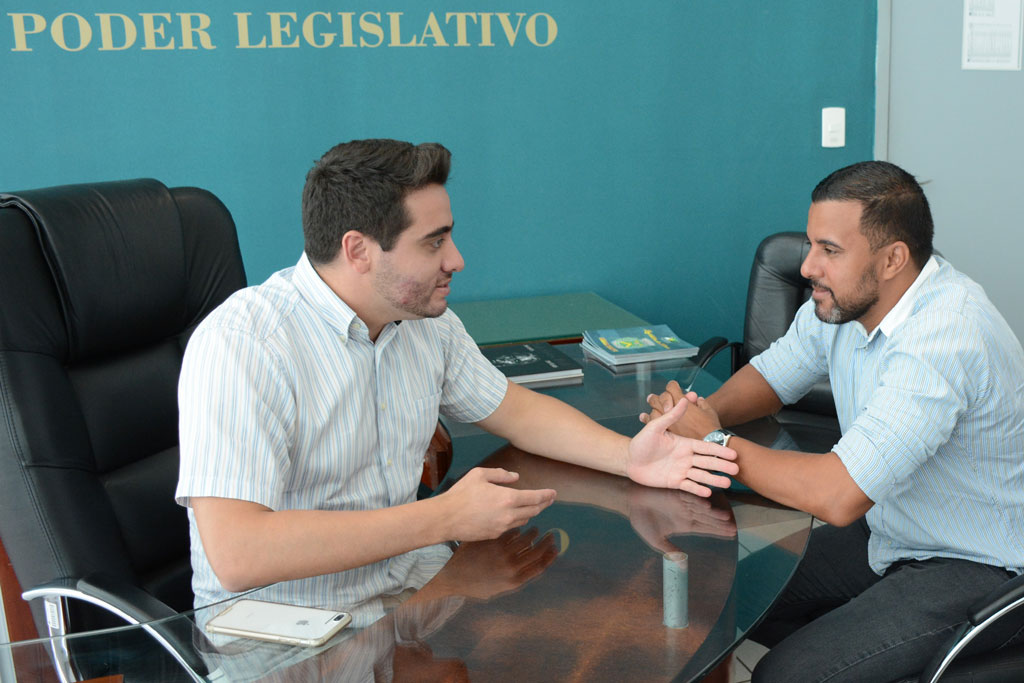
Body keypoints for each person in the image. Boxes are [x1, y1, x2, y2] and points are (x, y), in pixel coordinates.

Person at [175, 138, 738, 618]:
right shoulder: (245, 343)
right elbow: (239, 554)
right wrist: (444, 517)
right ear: (358, 250)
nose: (456, 260)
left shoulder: (425, 323)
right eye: (434, 241)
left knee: (593, 612)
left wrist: (629, 457)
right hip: (282, 631)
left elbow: (518, 411)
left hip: (403, 595)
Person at [642, 160, 1024, 682]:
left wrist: (712, 438)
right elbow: (773, 375)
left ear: (892, 259)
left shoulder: (943, 337)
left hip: (980, 566)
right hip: (893, 528)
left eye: (830, 250)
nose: (807, 267)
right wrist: (695, 413)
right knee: (712, 597)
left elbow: (838, 495)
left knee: (786, 675)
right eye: (811, 245)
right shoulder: (846, 303)